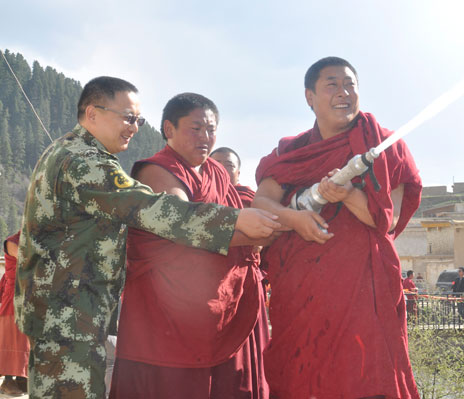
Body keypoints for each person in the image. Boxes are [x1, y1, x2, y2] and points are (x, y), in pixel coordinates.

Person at [14, 77, 280, 399]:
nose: (134, 127)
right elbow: (150, 208)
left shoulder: (70, 151)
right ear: (92, 113)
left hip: (70, 311)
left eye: (137, 119)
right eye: (127, 117)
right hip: (69, 315)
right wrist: (237, 219)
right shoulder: (83, 162)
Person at [253, 57, 422, 398]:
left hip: (363, 290)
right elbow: (262, 203)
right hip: (301, 290)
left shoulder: (386, 145)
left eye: (350, 85)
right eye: (332, 85)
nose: (343, 93)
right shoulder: (292, 150)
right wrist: (296, 219)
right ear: (309, 97)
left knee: (365, 377)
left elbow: (385, 220)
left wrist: (347, 194)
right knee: (301, 376)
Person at [109, 93, 272, 399]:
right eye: (195, 129)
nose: (205, 138)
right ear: (169, 129)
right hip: (167, 313)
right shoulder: (156, 170)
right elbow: (183, 224)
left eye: (211, 130)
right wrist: (250, 231)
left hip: (220, 306)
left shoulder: (217, 173)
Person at [0, 232, 29, 395]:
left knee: (26, 340)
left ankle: (22, 379)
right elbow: (27, 259)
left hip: (30, 296)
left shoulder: (36, 239)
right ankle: (8, 381)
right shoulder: (11, 242)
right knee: (11, 340)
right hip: (13, 297)